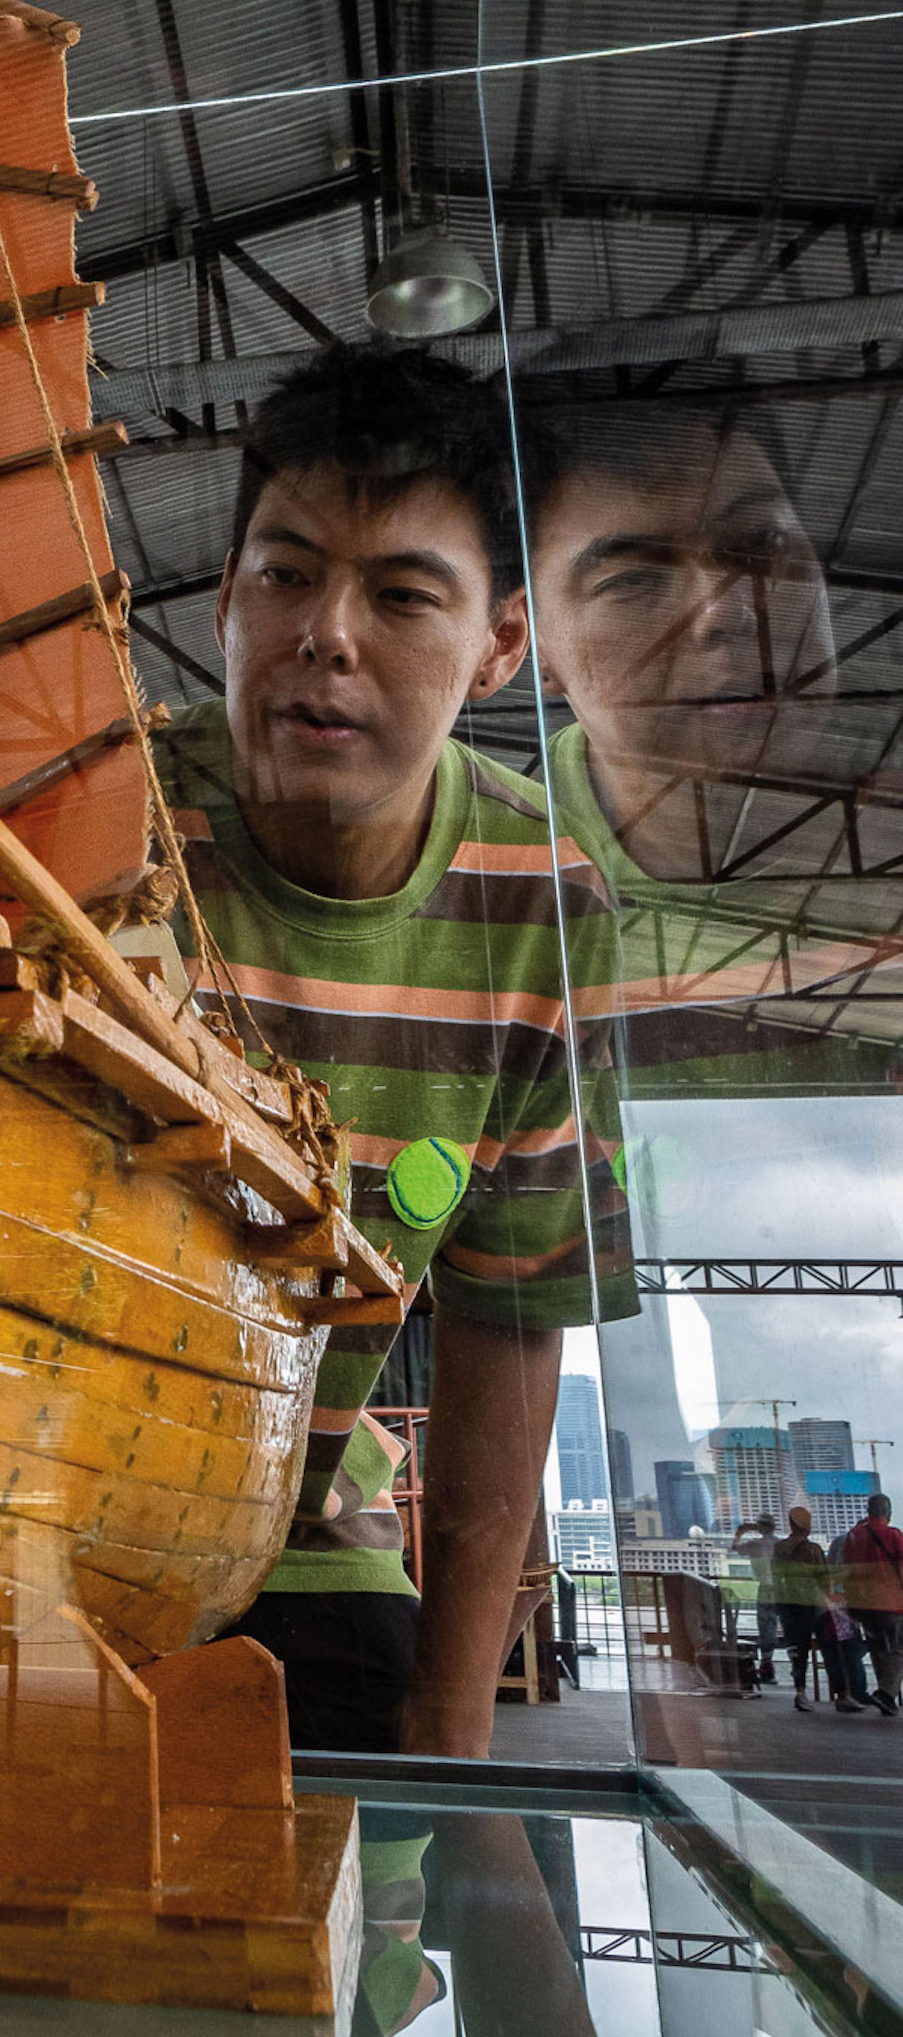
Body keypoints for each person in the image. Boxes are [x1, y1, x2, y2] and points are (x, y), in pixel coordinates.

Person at [158, 344, 633, 1756]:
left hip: (313, 1536)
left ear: (498, 646)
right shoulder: (88, 821)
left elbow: (511, 1321)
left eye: (403, 594)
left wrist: (454, 1717)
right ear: (224, 596)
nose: (328, 635)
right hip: (34, 1517)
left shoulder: (540, 907)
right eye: (286, 573)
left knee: (378, 1886)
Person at [523, 396, 903, 1097]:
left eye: (761, 547)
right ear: (529, 641)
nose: (723, 611)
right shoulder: (490, 881)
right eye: (633, 580)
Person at [770, 1508, 852, 1710]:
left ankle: (800, 1692)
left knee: (798, 1652)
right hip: (815, 1605)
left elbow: (775, 1578)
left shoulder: (779, 1548)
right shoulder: (813, 1550)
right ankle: (842, 1695)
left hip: (790, 1605)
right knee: (830, 1649)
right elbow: (824, 1579)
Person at [838, 1492, 903, 1714]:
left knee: (877, 1648)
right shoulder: (893, 1535)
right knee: (898, 1648)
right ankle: (885, 1693)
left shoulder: (854, 1536)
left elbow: (847, 1571)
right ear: (888, 1512)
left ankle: (886, 1699)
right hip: (891, 1601)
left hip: (862, 1604)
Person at [731, 1515, 784, 1684]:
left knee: (765, 1628)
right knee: (779, 1627)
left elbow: (735, 1547)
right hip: (781, 1589)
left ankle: (766, 1666)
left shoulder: (754, 1544)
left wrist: (740, 1532)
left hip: (764, 1589)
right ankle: (771, 1665)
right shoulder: (780, 1544)